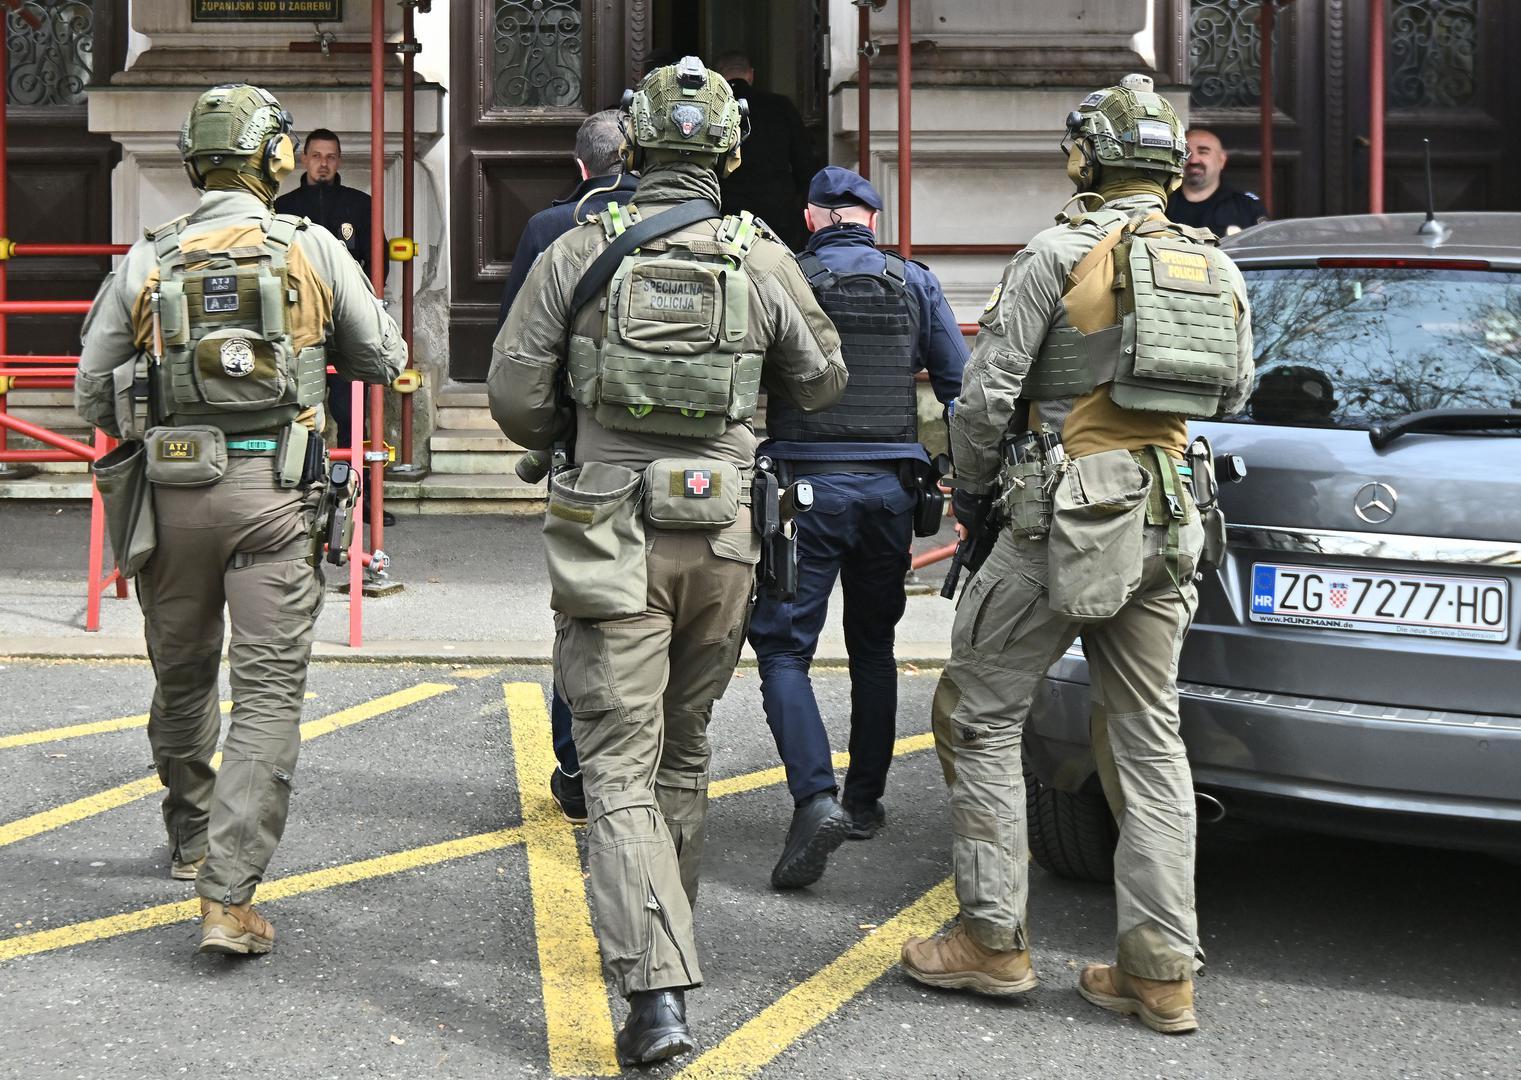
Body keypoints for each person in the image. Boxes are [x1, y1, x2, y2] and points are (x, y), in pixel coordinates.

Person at [488, 57, 845, 1065]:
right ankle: (665, 940)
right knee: (682, 753)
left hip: (610, 532)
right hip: (725, 532)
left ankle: (656, 991)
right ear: (729, 155)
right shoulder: (759, 254)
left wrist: (576, 425)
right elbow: (822, 380)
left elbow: (513, 396)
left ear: (633, 148)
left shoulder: (579, 247)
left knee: (616, 762)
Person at [898, 74, 1254, 1035]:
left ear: (1084, 159)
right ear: (1169, 168)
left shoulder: (1054, 253)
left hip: (1060, 517)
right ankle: (1159, 972)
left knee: (978, 714)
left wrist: (970, 488)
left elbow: (985, 398)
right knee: (1147, 739)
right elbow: (1235, 390)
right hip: (1171, 514)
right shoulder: (1213, 264)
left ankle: (990, 942)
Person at [74, 84, 405, 956]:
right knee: (266, 694)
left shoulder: (149, 256)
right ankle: (228, 897)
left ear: (195, 163)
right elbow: (381, 356)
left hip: (170, 498)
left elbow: (89, 393)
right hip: (276, 501)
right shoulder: (309, 247)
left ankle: (190, 836)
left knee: (182, 677)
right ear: (275, 160)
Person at [746, 165, 967, 891]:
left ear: (811, 218)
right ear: (872, 221)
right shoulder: (914, 282)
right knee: (874, 648)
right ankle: (864, 803)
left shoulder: (786, 277)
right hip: (891, 495)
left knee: (784, 650)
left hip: (803, 493)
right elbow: (960, 387)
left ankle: (816, 799)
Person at [493, 108, 638, 825]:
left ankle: (577, 768)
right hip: (692, 460)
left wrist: (547, 436)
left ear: (580, 166)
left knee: (584, 609)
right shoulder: (700, 226)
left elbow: (518, 348)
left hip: (586, 453)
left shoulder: (553, 227)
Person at [274, 128, 394, 524]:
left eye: (330, 156)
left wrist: (362, 309)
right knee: (298, 411)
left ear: (339, 160)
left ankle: (356, 500)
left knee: (351, 414)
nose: (323, 164)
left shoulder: (360, 205)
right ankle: (297, 499)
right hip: (299, 325)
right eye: (316, 156)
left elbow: (378, 261)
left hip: (344, 325)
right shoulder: (283, 207)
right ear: (304, 159)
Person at [712, 51, 818, 252]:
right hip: (776, 211)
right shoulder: (781, 106)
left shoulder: (714, 108)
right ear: (751, 74)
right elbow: (805, 164)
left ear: (717, 76)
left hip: (724, 210)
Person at [1166, 127, 1268, 236]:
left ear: (1221, 160)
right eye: (1186, 153)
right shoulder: (1160, 202)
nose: (1194, 160)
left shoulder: (1247, 208)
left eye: (1203, 152)